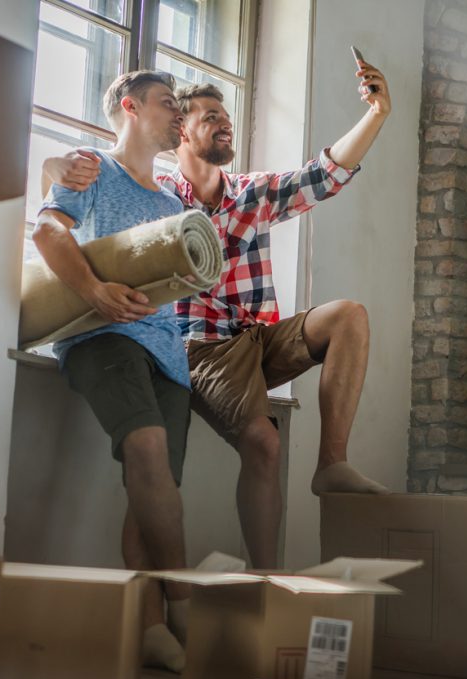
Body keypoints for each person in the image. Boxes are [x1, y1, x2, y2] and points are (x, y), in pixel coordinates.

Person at [43, 58, 393, 570]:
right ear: (179, 129)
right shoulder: (162, 199)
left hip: (257, 338)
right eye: (209, 116)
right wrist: (56, 168)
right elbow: (68, 187)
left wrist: (378, 113)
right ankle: (262, 577)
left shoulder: (252, 193)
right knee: (263, 444)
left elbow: (326, 174)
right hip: (201, 347)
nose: (224, 123)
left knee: (349, 316)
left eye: (225, 117)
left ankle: (332, 464)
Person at [33, 70, 191, 672]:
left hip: (167, 353)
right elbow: (48, 231)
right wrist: (95, 291)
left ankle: (151, 625)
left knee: (151, 492)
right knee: (146, 447)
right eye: (167, 104)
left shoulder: (173, 202)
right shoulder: (90, 168)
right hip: (100, 336)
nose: (178, 115)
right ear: (129, 107)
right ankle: (183, 599)